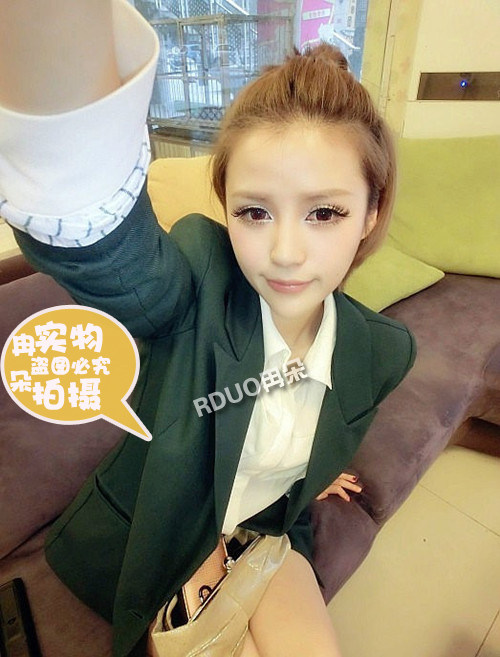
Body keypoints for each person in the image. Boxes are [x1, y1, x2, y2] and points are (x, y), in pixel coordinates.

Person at [0, 1, 416, 656]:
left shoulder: (384, 350)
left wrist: (313, 466)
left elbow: (321, 422)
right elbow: (112, 258)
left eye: (324, 213)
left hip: (268, 533)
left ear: (370, 213)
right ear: (226, 208)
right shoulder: (198, 277)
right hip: (158, 536)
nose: (285, 252)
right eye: (255, 212)